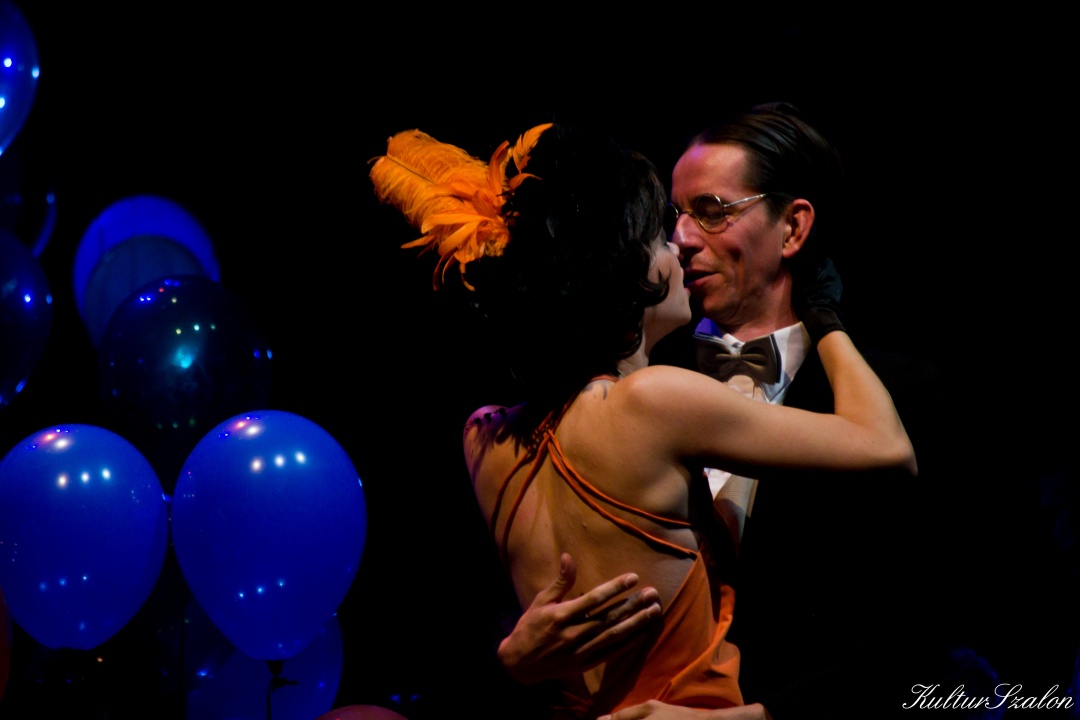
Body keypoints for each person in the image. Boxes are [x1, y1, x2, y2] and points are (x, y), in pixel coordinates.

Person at [368, 121, 917, 719]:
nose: (679, 242)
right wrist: (826, 317)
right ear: (621, 270)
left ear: (793, 227)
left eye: (710, 211)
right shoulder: (660, 399)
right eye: (662, 230)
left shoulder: (483, 432)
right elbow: (882, 446)